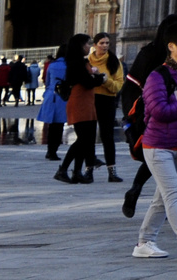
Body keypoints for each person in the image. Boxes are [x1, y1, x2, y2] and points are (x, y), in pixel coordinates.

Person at [134, 21, 177, 257]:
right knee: (174, 193)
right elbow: (159, 111)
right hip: (158, 146)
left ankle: (144, 243)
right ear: (171, 46)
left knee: (163, 197)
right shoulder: (158, 76)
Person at [56, 34, 105, 184]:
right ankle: (62, 169)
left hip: (86, 102)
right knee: (83, 139)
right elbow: (87, 82)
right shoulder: (75, 63)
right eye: (87, 44)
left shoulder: (80, 62)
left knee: (86, 140)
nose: (89, 47)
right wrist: (100, 78)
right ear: (79, 46)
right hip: (79, 103)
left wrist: (95, 77)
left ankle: (77, 171)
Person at [89, 32, 125, 183]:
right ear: (95, 45)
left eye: (107, 43)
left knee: (107, 137)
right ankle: (88, 170)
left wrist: (105, 80)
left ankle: (112, 171)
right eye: (101, 43)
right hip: (90, 99)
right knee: (89, 136)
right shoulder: (88, 61)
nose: (104, 46)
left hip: (107, 100)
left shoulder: (114, 62)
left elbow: (118, 85)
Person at [38, 46, 68, 159]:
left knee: (51, 126)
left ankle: (50, 150)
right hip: (62, 97)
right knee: (59, 126)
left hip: (51, 96)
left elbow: (48, 81)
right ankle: (53, 151)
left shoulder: (52, 65)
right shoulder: (68, 66)